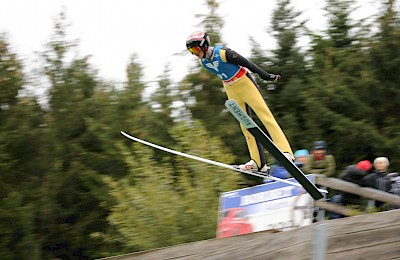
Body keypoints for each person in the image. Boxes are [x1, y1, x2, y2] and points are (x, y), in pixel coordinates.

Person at [185, 31, 294, 174]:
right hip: (230, 87)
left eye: (195, 49)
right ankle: (257, 163)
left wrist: (266, 76)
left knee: (265, 117)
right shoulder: (203, 62)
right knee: (244, 124)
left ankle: (287, 153)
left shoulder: (224, 53)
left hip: (244, 82)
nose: (194, 54)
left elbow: (247, 63)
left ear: (204, 46)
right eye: (191, 51)